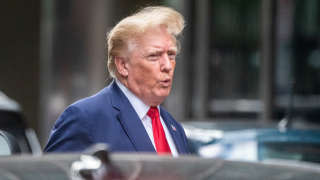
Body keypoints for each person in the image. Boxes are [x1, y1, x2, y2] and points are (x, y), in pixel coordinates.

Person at [44, 6, 190, 156]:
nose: (167, 65)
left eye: (171, 55)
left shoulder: (173, 127)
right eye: (154, 56)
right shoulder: (85, 118)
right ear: (123, 65)